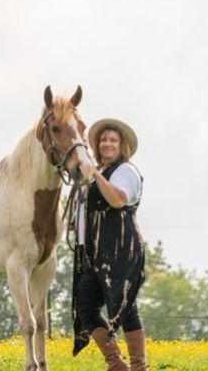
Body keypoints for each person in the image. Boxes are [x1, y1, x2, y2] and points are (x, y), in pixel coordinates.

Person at [71, 118, 146, 371]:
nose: (107, 144)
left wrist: (94, 175)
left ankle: (138, 366)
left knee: (123, 303)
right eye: (103, 140)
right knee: (85, 305)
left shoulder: (126, 171)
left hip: (121, 248)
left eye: (113, 140)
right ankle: (116, 364)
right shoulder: (97, 174)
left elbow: (117, 200)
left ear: (121, 145)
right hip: (96, 252)